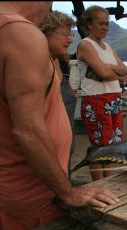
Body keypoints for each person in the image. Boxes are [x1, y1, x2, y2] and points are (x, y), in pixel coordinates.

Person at [0, 2, 120, 230]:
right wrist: (68, 192)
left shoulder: (1, 29)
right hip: (36, 193)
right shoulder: (21, 32)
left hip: (16, 185)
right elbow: (27, 130)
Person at [76, 5, 127, 181]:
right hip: (96, 99)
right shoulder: (86, 45)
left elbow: (124, 70)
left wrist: (109, 69)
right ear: (89, 24)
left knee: (111, 145)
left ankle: (108, 183)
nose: (105, 27)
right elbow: (107, 74)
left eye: (107, 24)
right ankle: (99, 185)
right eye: (101, 23)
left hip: (113, 98)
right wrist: (115, 75)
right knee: (99, 146)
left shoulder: (106, 46)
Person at [40, 11, 77, 178]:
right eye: (65, 35)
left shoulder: (56, 59)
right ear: (45, 34)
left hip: (62, 162)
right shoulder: (37, 65)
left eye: (71, 34)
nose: (70, 40)